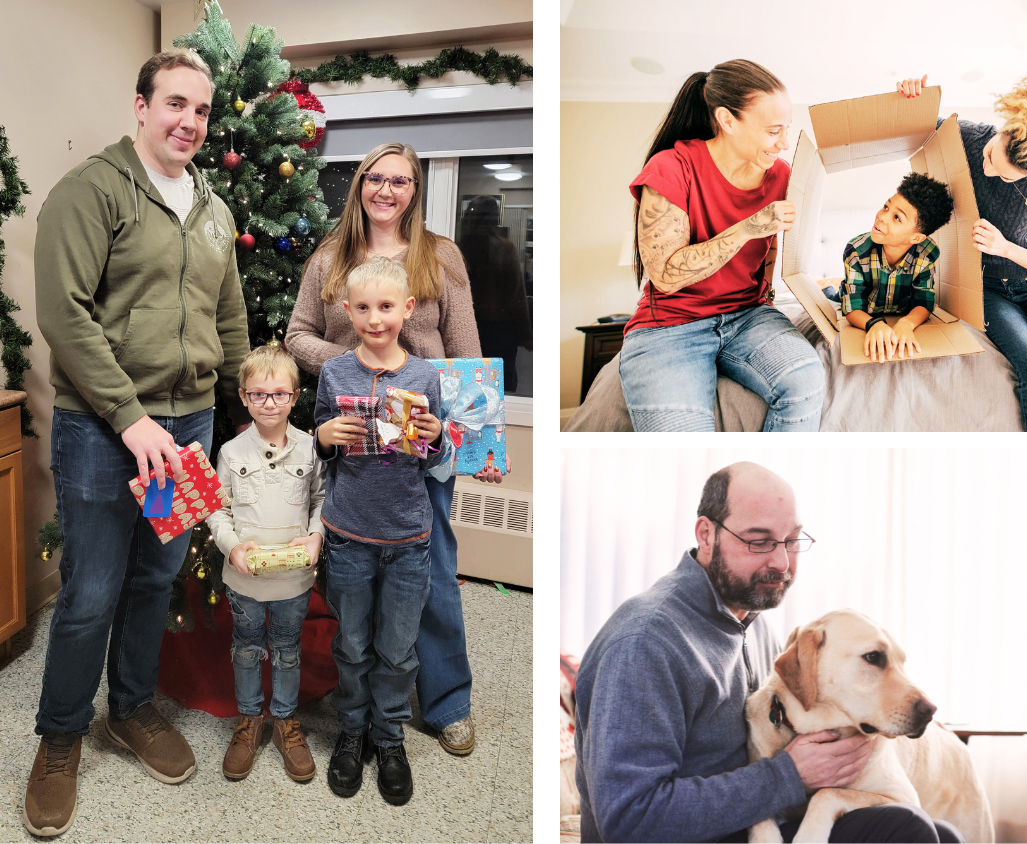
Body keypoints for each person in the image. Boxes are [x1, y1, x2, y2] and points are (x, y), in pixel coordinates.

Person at [26, 48, 251, 838]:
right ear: (142, 107)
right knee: (91, 590)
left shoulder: (213, 208)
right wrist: (129, 416)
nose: (189, 121)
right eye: (175, 105)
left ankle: (129, 710)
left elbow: (229, 317)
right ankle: (59, 738)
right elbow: (64, 315)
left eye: (201, 109)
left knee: (158, 577)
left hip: (186, 425)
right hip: (105, 428)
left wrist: (236, 406)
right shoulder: (93, 191)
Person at [575, 462, 961, 843]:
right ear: (706, 535)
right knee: (906, 830)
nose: (780, 562)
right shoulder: (646, 644)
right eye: (758, 541)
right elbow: (629, 819)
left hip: (750, 826)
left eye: (791, 541)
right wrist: (790, 775)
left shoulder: (752, 623)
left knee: (942, 835)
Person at [286, 142, 509, 760]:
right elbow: (296, 335)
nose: (387, 191)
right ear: (360, 184)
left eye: (401, 181)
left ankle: (446, 702)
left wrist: (479, 444)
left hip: (423, 435)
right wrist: (356, 367)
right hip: (355, 436)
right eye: (375, 179)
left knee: (431, 564)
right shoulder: (330, 257)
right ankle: (356, 694)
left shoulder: (442, 257)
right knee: (351, 567)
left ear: (415, 190)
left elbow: (466, 353)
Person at [897, 68, 1027, 432]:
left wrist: (1006, 248)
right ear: (1005, 127)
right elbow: (912, 124)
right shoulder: (968, 136)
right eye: (992, 153)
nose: (988, 169)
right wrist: (911, 97)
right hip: (987, 288)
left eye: (1005, 174)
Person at [621, 59, 825, 432]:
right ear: (728, 122)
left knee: (807, 380)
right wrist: (747, 228)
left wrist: (765, 294)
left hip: (748, 316)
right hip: (670, 325)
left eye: (787, 130)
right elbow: (665, 276)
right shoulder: (672, 168)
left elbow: (771, 248)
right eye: (773, 131)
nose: (783, 143)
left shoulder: (780, 174)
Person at [313, 257, 449, 805]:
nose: (375, 319)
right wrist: (324, 432)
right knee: (350, 643)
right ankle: (352, 731)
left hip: (409, 539)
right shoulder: (334, 374)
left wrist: (437, 434)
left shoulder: (424, 376)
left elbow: (436, 462)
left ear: (407, 310)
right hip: (348, 532)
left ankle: (388, 737)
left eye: (386, 307)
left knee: (397, 649)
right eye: (363, 308)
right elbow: (319, 448)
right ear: (347, 311)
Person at [205, 344, 325, 784]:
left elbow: (322, 501)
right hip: (245, 580)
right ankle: (249, 719)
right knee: (247, 647)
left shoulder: (312, 449)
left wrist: (316, 536)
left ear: (295, 397)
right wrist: (231, 545)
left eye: (279, 394)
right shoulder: (232, 453)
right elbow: (217, 509)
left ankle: (286, 723)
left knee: (288, 649)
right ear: (244, 397)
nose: (269, 403)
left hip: (293, 579)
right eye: (259, 395)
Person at [841, 172, 956, 362]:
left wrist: (907, 323)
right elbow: (852, 307)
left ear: (916, 238)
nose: (882, 217)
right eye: (886, 207)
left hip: (901, 309)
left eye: (897, 218)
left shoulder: (926, 253)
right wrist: (873, 324)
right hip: (866, 308)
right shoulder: (856, 250)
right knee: (836, 295)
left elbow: (924, 301)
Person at [456, 195, 529, 393]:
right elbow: (516, 296)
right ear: (495, 218)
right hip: (498, 328)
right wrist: (526, 335)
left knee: (468, 383)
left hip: (466, 325)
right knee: (500, 385)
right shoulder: (504, 248)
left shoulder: (458, 248)